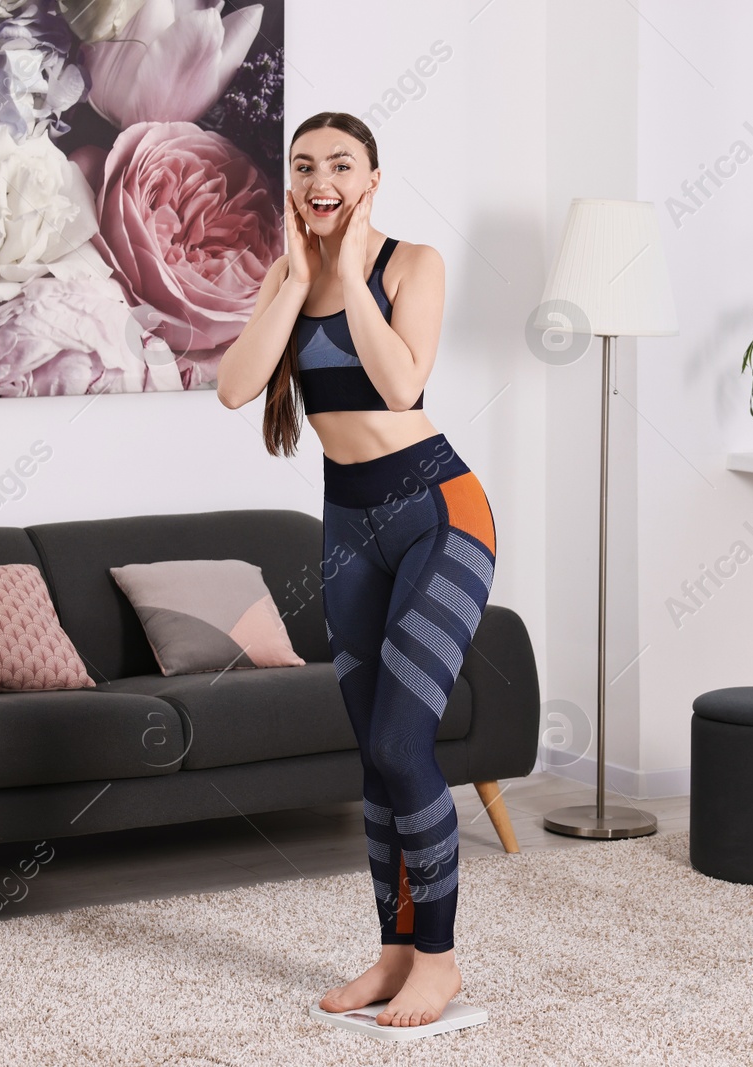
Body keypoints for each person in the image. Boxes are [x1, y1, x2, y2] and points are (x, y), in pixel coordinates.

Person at [217, 111, 498, 1029]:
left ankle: (441, 961)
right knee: (372, 761)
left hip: (439, 516)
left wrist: (345, 277)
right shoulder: (285, 274)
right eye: (304, 166)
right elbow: (233, 386)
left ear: (373, 178)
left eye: (341, 164)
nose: (320, 178)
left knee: (401, 744)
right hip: (348, 527)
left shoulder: (412, 265)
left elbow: (400, 385)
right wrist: (299, 280)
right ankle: (393, 952)